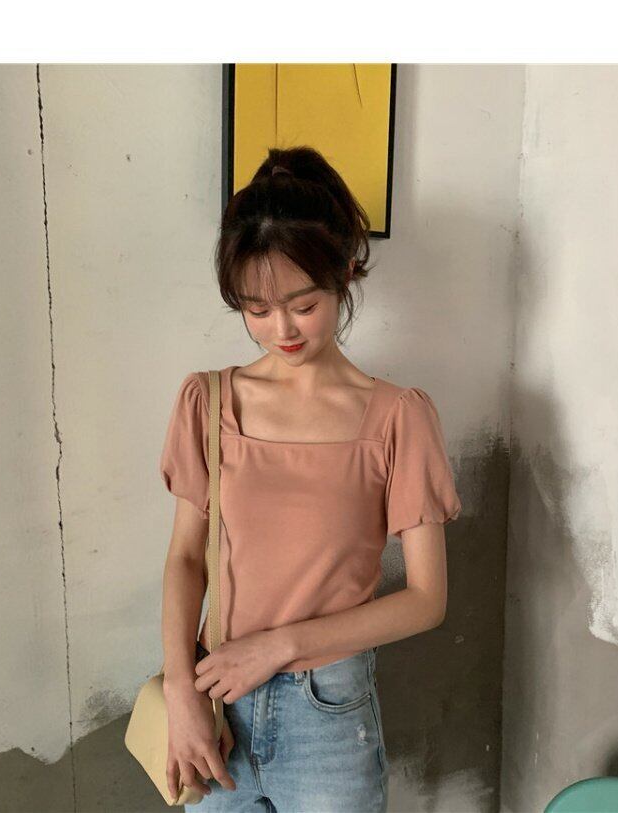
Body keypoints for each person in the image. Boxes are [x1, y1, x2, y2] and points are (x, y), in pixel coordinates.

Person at [158, 146, 462, 812]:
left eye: (302, 304)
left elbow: (426, 598)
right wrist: (181, 691)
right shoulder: (209, 402)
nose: (281, 329)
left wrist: (279, 647)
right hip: (215, 699)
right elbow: (186, 558)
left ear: (344, 274)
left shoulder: (397, 417)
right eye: (257, 309)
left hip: (329, 713)